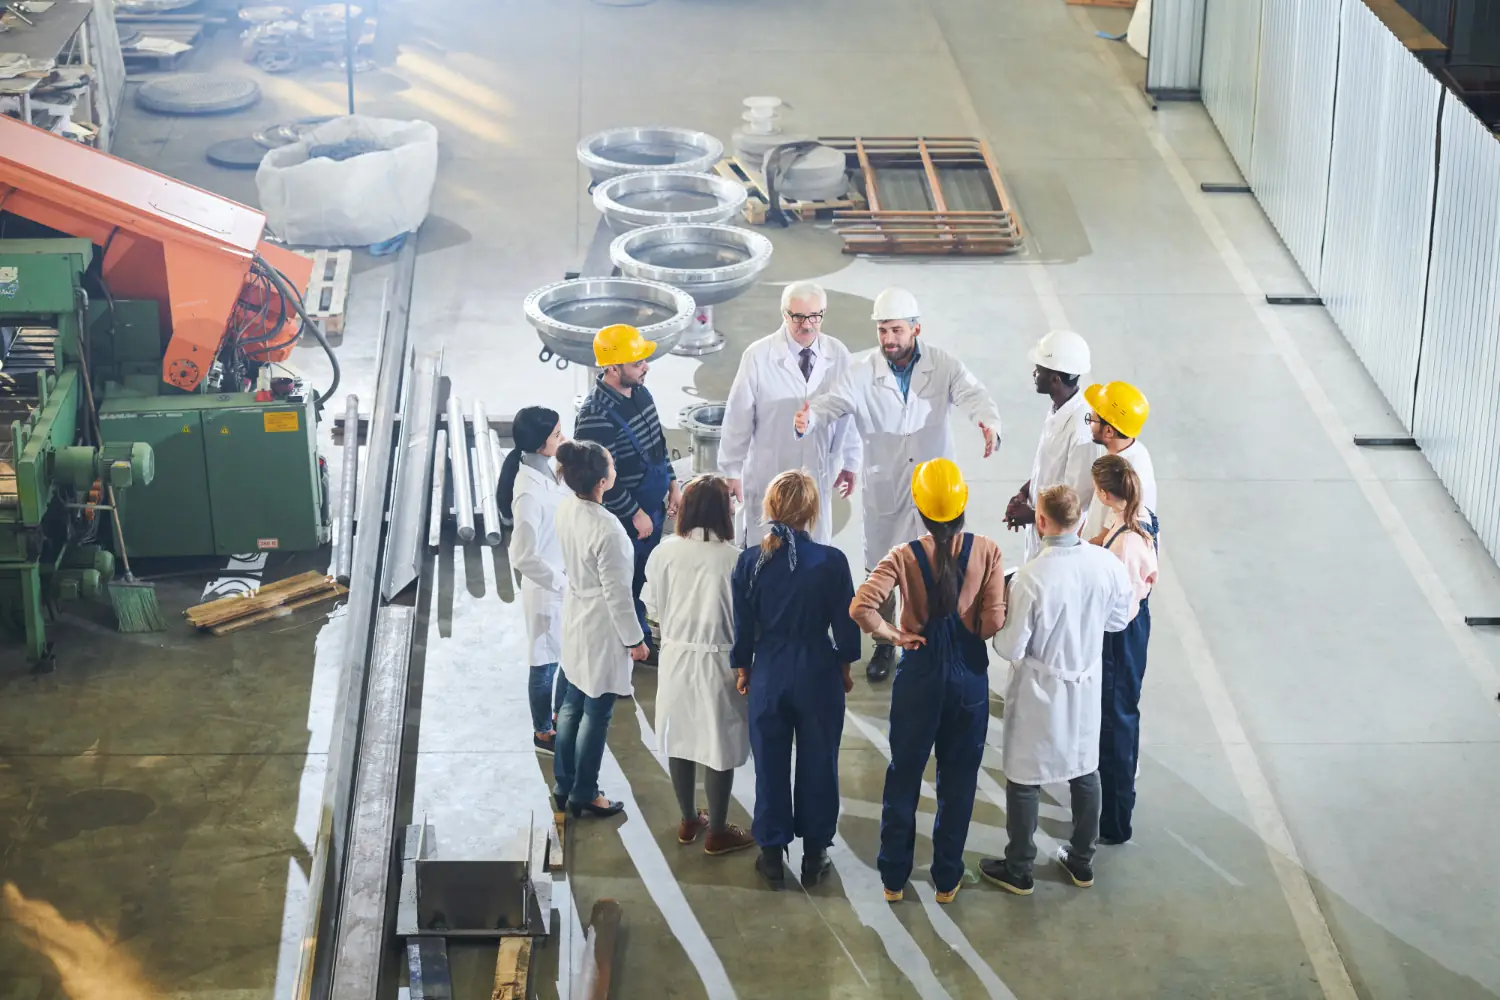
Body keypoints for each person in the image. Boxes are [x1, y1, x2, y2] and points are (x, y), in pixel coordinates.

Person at [794, 287, 1002, 683]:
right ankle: (886, 644)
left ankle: (937, 633)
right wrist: (810, 419)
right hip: (885, 484)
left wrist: (989, 423)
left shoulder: (943, 365)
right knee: (882, 568)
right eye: (882, 330)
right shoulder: (860, 372)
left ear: (915, 328)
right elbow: (830, 401)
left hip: (935, 490)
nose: (888, 339)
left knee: (940, 563)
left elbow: (973, 394)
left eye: (896, 330)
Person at [851, 459, 1006, 904]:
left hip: (917, 677)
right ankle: (946, 880)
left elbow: (862, 606)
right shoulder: (988, 551)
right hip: (968, 681)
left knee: (904, 775)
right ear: (963, 506)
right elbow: (993, 622)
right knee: (958, 783)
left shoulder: (901, 556)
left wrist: (894, 635)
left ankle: (894, 878)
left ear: (918, 507)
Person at [979, 485, 1133, 895]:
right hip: (1084, 681)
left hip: (1038, 690)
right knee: (1084, 769)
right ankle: (1081, 861)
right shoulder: (1105, 564)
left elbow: (1010, 646)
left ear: (1041, 522)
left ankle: (1019, 866)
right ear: (1082, 521)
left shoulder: (1030, 578)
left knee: (1025, 776)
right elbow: (1119, 620)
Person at [731, 470, 861, 890]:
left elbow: (743, 625)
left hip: (769, 669)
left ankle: (771, 855)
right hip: (817, 671)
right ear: (811, 512)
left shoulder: (750, 561)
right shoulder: (831, 561)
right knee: (819, 762)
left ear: (769, 510)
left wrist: (744, 667)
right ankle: (815, 853)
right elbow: (845, 625)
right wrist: (844, 666)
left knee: (769, 764)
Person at [642, 475, 756, 856]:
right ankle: (718, 831)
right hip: (720, 661)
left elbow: (653, 609)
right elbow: (747, 619)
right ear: (725, 512)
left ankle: (690, 818)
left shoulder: (664, 551)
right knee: (718, 743)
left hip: (675, 656)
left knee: (681, 737)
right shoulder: (734, 559)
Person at [719, 281, 861, 546]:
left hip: (818, 471)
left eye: (815, 316)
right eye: (797, 317)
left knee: (815, 552)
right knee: (766, 553)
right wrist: (731, 471)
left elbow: (849, 414)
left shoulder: (839, 355)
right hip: (769, 471)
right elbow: (738, 417)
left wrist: (851, 462)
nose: (807, 325)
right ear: (784, 314)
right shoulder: (759, 356)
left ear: (823, 313)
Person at [553, 440, 650, 819]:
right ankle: (586, 792)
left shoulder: (566, 508)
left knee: (571, 702)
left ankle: (564, 784)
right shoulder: (610, 531)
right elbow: (618, 596)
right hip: (600, 625)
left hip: (576, 612)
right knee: (597, 712)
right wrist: (636, 641)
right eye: (611, 466)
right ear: (602, 481)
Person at [574, 324, 681, 659]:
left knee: (641, 578)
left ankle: (637, 635)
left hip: (653, 503)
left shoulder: (640, 392)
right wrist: (635, 513)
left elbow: (658, 446)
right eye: (637, 363)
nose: (645, 367)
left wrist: (674, 484)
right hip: (627, 517)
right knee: (624, 585)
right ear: (613, 367)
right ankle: (632, 645)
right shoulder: (595, 417)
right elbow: (599, 480)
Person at [1090, 454, 1159, 845]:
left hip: (1121, 634)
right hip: (1131, 624)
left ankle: (1116, 821)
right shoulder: (1134, 514)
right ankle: (1114, 803)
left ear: (1103, 493)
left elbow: (1119, 610)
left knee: (1116, 719)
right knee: (1119, 713)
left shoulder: (1127, 547)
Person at [499, 406, 570, 754]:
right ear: (541, 443)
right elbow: (523, 555)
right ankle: (543, 732)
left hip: (562, 583)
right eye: (558, 434)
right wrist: (562, 583)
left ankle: (557, 717)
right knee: (545, 663)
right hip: (548, 590)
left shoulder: (548, 468)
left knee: (562, 657)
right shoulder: (528, 491)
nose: (564, 438)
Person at [1004, 331, 1100, 562]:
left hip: (1060, 545)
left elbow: (1077, 500)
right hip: (1043, 529)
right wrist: (1024, 493)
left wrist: (1033, 516)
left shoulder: (1081, 429)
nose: (1034, 373)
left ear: (1055, 379)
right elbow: (1047, 467)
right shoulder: (1058, 409)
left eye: (1039, 369)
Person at [1081, 380, 1156, 544]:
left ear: (1108, 431)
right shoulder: (1125, 453)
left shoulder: (1126, 473)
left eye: (1092, 420)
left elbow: (1105, 539)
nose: (1089, 425)